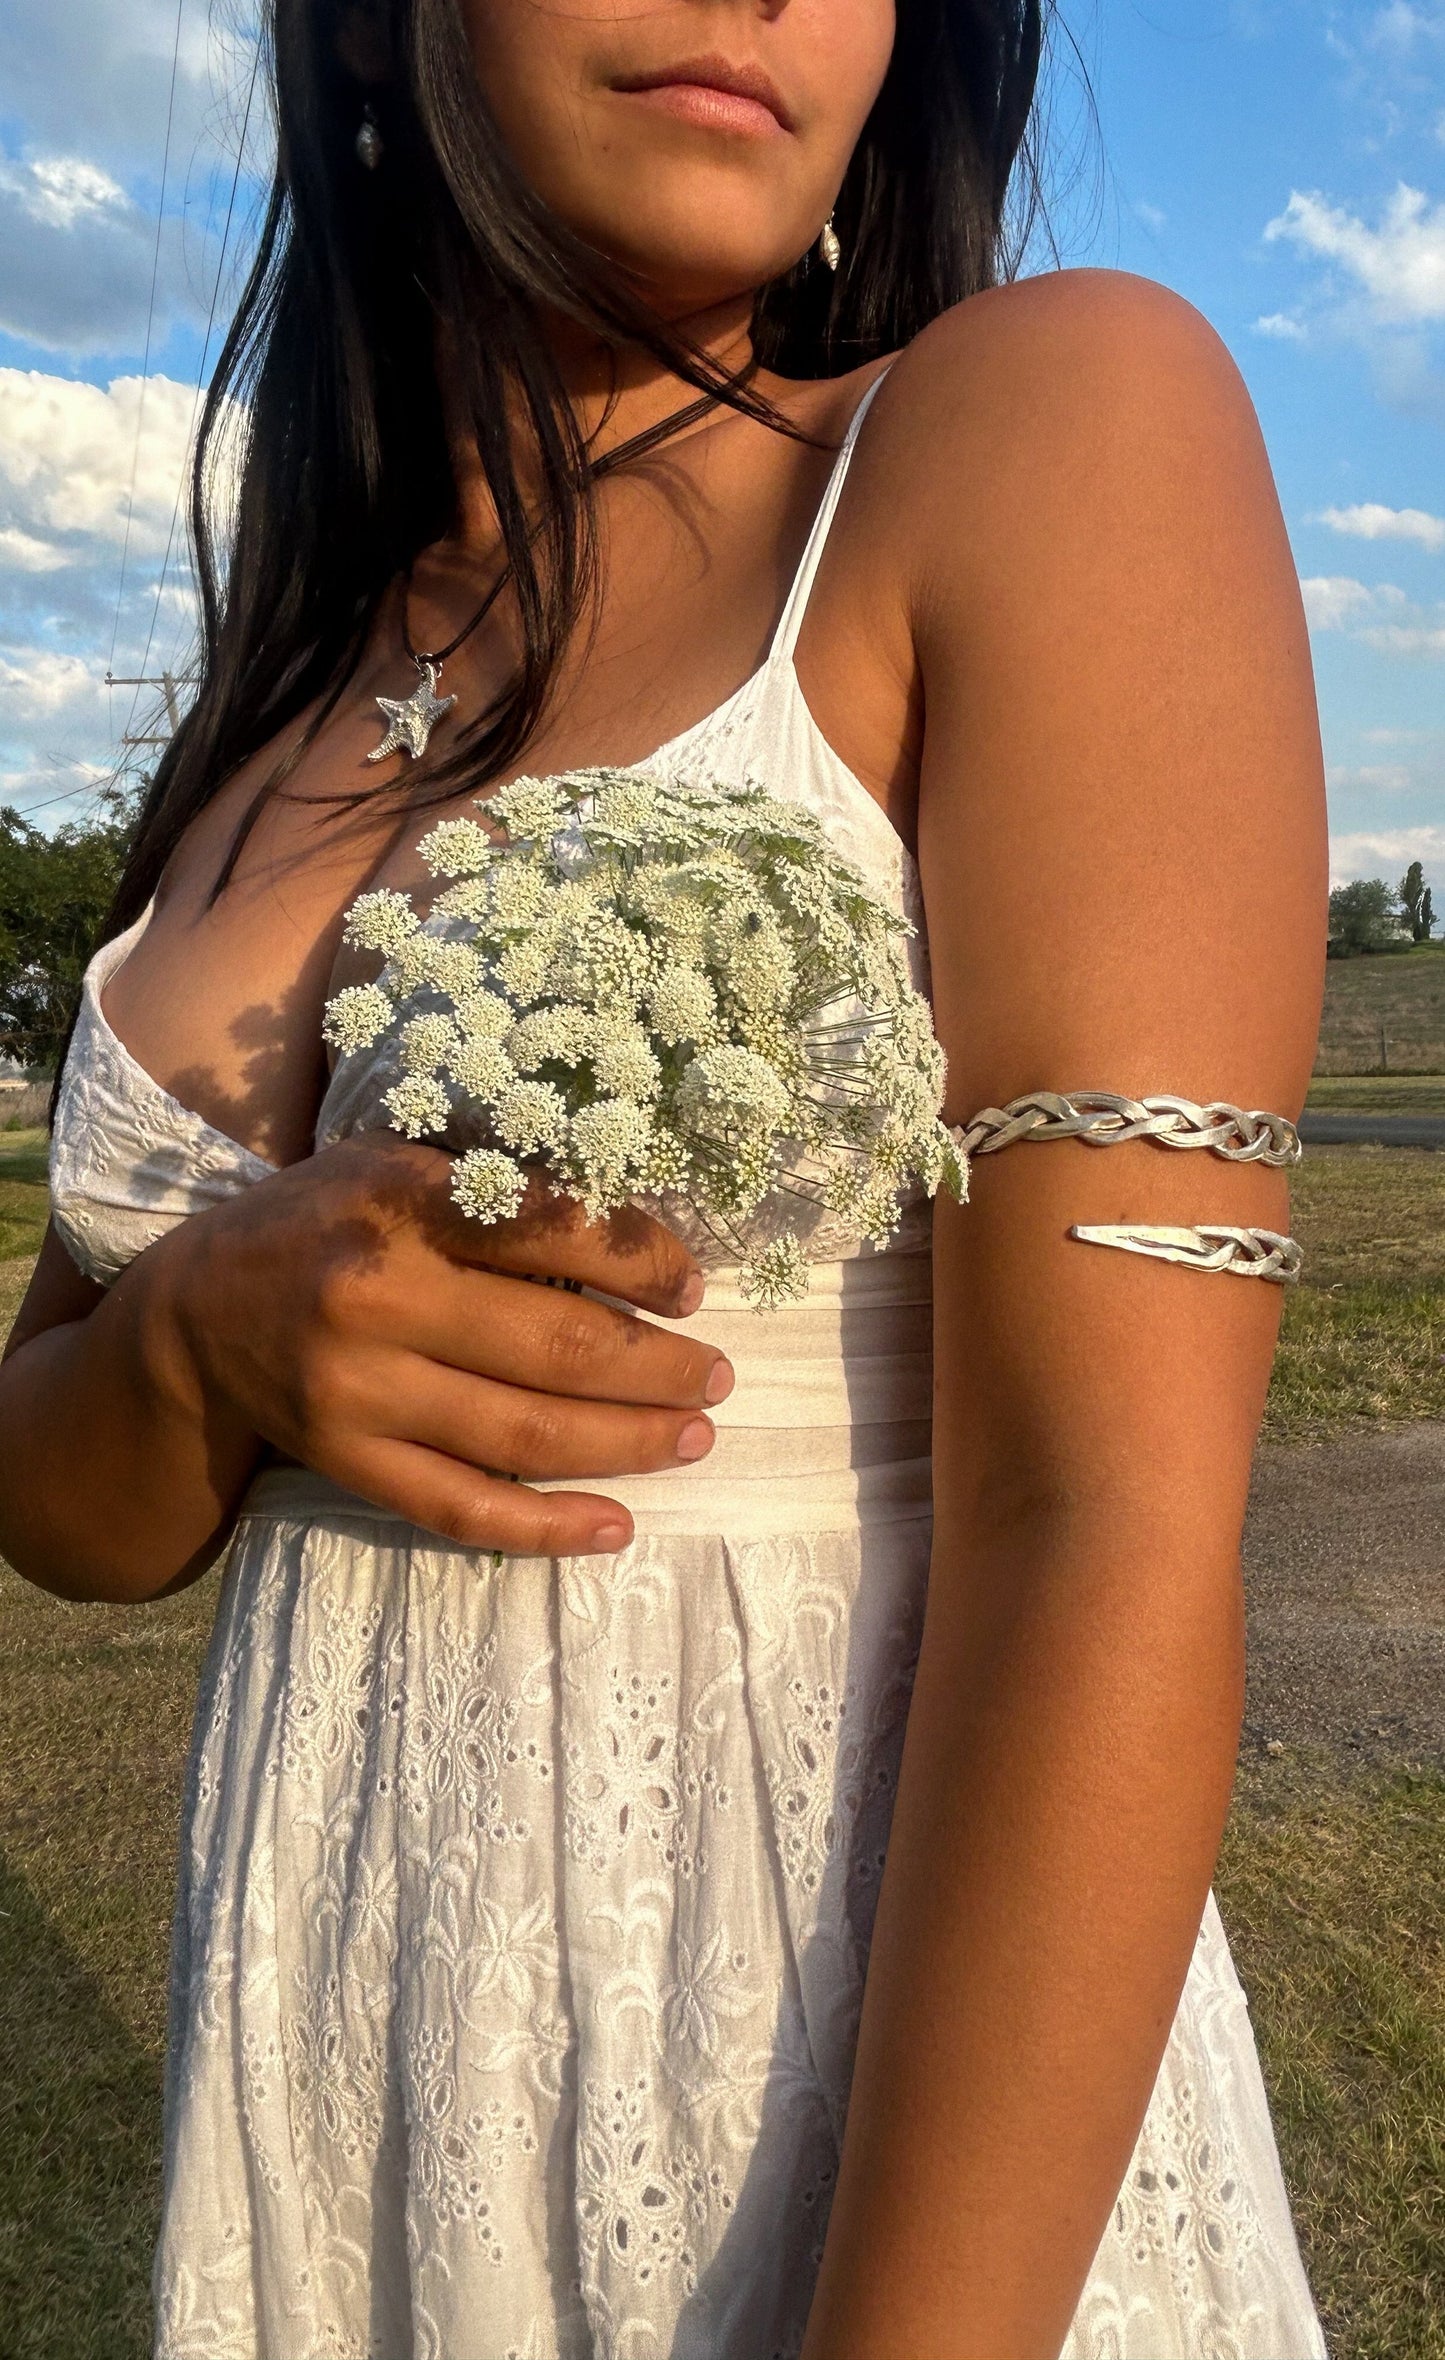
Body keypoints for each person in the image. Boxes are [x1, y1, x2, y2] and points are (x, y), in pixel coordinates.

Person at [0, 0, 1331, 2351]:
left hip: (821, 2133)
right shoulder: (290, 670)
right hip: (337, 2096)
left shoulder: (1033, 426)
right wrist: (212, 1341)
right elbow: (69, 1496)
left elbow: (1107, 1532)